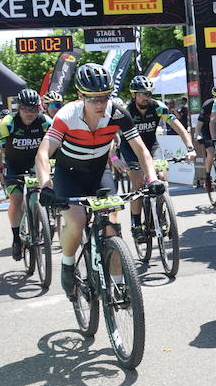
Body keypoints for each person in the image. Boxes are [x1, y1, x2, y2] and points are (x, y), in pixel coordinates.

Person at [34, 64, 162, 294]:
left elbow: (142, 150)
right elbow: (43, 153)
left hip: (99, 172)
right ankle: (68, 263)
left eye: (104, 97)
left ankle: (121, 286)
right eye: (93, 99)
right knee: (77, 219)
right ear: (81, 96)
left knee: (111, 225)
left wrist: (152, 180)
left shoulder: (118, 113)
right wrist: (45, 185)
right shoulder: (66, 115)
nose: (100, 104)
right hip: (69, 174)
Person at [120, 75, 195, 239]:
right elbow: (113, 136)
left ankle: (160, 216)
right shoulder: (126, 111)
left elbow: (180, 128)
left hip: (151, 145)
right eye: (142, 94)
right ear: (134, 95)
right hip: (130, 149)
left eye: (148, 93)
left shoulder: (158, 107)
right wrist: (114, 158)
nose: (146, 97)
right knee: (138, 182)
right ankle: (136, 224)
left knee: (161, 178)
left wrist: (190, 148)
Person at [0, 88, 52, 260]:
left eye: (34, 109)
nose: (30, 113)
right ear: (18, 108)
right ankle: (17, 238)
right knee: (16, 201)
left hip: (35, 163)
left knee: (40, 195)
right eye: (25, 108)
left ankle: (43, 224)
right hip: (13, 165)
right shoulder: (8, 122)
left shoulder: (45, 121)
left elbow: (56, 142)